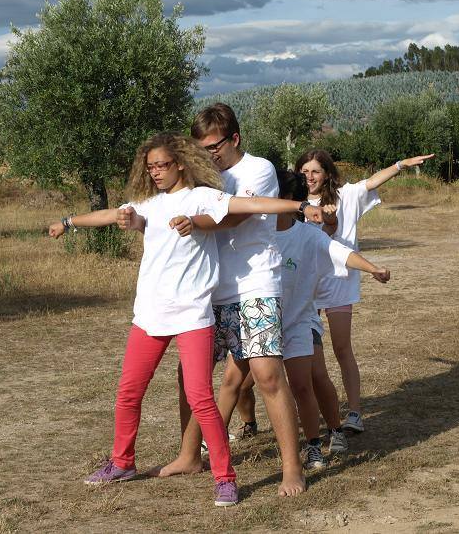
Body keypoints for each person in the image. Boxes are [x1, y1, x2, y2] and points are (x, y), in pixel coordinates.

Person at [48, 132, 327, 507]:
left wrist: (299, 206)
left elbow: (250, 204)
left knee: (200, 397)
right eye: (150, 167)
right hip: (149, 313)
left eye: (162, 165)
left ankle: (224, 478)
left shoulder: (202, 197)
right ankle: (122, 462)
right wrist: (68, 222)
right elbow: (112, 214)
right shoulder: (148, 203)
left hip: (193, 314)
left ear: (180, 163)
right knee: (129, 391)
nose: (156, 172)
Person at [127, 104, 310, 497]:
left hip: (255, 284)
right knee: (191, 376)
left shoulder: (257, 170)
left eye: (214, 147)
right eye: (201, 148)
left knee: (266, 375)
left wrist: (194, 221)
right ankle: (189, 455)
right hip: (207, 291)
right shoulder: (200, 177)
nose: (208, 154)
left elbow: (238, 215)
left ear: (235, 139)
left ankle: (292, 469)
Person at [234, 170, 392, 469]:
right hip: (261, 322)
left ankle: (318, 442)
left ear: (287, 200)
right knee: (237, 384)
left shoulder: (307, 235)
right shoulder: (254, 232)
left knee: (304, 385)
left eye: (270, 195)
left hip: (299, 322)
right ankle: (214, 444)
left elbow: (340, 252)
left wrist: (373, 268)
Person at [295, 149, 433, 433]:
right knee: (304, 352)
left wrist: (400, 164)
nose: (309, 177)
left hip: (339, 282)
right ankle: (312, 412)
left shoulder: (346, 196)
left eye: (316, 171)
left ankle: (354, 412)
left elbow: (372, 182)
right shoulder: (293, 204)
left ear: (327, 174)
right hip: (305, 285)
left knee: (341, 348)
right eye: (304, 171)